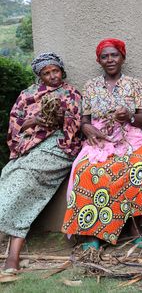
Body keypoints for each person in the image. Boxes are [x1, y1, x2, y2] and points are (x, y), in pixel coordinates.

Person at [62, 38, 142, 250]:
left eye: (114, 55)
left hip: (129, 136)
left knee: (135, 167)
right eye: (105, 56)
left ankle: (135, 228)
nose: (110, 59)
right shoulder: (91, 86)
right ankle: (91, 232)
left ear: (123, 57)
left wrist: (128, 115)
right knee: (86, 171)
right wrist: (86, 128)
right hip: (99, 137)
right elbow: (85, 120)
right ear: (99, 60)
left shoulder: (135, 84)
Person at [0, 53, 82, 271]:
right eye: (46, 73)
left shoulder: (71, 93)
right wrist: (35, 120)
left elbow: (75, 128)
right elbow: (16, 126)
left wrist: (60, 117)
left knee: (24, 177)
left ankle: (13, 256)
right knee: (10, 176)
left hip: (58, 148)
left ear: (62, 71)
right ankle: (13, 254)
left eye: (55, 71)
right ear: (39, 76)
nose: (52, 76)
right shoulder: (27, 94)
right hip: (29, 148)